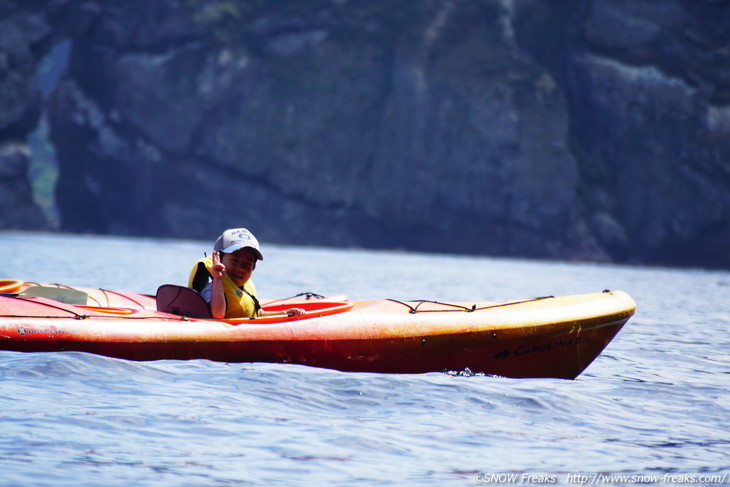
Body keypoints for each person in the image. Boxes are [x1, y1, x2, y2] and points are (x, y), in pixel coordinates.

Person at [188, 228, 304, 319]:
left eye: (247, 264)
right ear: (218, 259)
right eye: (234, 261)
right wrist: (218, 280)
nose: (240, 268)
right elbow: (218, 314)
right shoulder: (212, 289)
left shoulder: (246, 287)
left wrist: (284, 313)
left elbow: (258, 314)